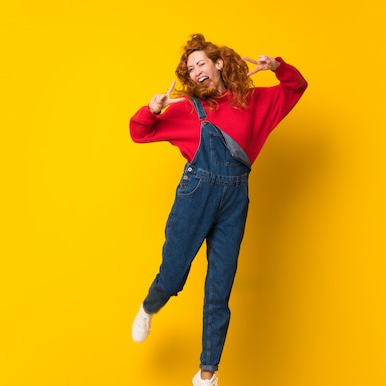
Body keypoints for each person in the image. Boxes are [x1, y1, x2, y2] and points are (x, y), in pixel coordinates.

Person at [129, 33, 307, 386]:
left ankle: (207, 374)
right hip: (195, 196)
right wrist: (151, 109)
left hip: (234, 201)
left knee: (219, 288)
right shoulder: (186, 111)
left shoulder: (255, 102)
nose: (196, 72)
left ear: (219, 64)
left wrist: (278, 67)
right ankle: (149, 307)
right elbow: (139, 132)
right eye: (190, 69)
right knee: (174, 274)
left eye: (201, 64)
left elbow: (296, 88)